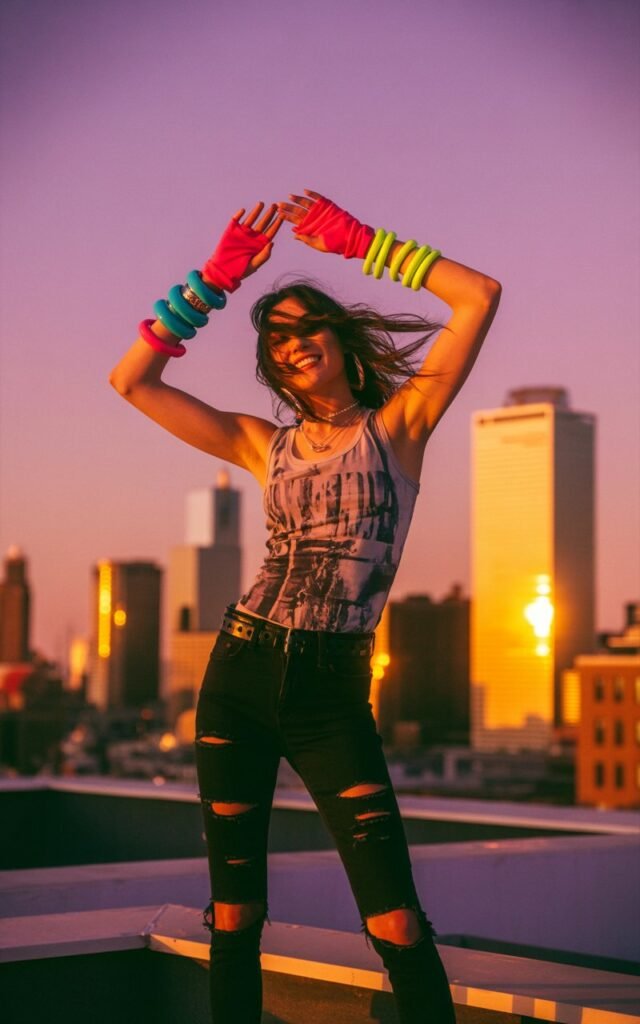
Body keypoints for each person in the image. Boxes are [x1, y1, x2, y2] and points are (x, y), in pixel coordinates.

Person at [109, 189, 501, 1023]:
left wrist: (365, 242)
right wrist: (210, 283)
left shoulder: (400, 427)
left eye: (304, 326)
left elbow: (480, 297)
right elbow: (131, 381)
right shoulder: (264, 443)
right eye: (276, 337)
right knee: (235, 918)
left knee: (394, 918)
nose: (291, 344)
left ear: (340, 338)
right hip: (240, 675)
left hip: (331, 695)